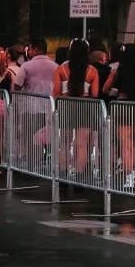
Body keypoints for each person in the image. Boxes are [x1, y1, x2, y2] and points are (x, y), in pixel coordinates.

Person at [53, 39, 101, 179]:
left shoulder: (61, 69)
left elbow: (55, 91)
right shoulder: (92, 71)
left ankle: (63, 176)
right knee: (81, 144)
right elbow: (95, 94)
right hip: (85, 107)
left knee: (65, 142)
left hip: (66, 105)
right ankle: (80, 177)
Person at [103, 45, 135, 182]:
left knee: (125, 143)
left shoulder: (119, 71)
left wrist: (112, 76)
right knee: (133, 143)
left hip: (123, 108)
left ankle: (129, 176)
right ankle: (133, 170)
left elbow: (106, 89)